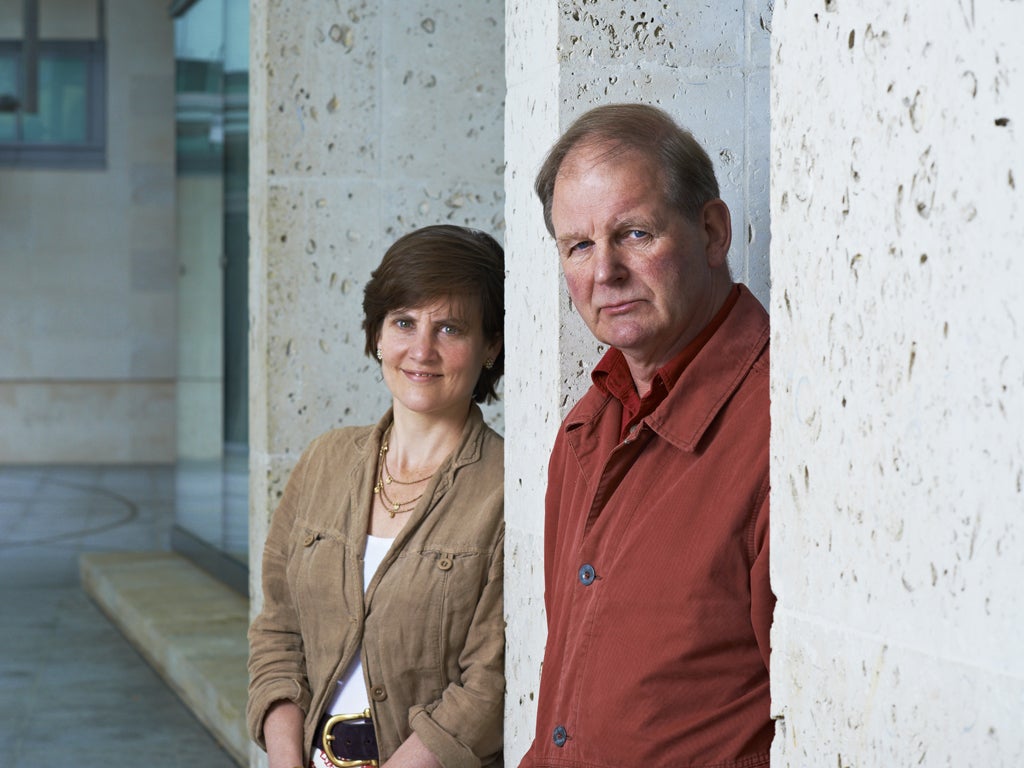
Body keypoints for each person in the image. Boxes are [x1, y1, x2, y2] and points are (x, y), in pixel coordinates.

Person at [520, 104, 774, 767]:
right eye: (578, 245)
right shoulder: (585, 429)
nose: (604, 272)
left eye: (633, 234)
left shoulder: (785, 424)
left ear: (713, 231)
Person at [247, 224, 506, 768]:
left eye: (451, 328)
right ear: (377, 335)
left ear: (490, 347)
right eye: (404, 322)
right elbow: (279, 630)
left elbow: (490, 681)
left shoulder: (510, 486)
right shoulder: (324, 461)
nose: (421, 350)